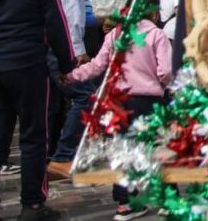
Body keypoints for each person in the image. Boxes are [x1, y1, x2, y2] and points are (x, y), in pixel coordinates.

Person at [0, 0, 77, 221]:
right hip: (28, 66)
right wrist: (67, 66)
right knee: (34, 136)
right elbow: (57, 24)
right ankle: (33, 204)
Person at [66, 13, 171, 220]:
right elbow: (166, 71)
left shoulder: (115, 35)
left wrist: (72, 76)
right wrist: (163, 86)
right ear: (153, 13)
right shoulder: (157, 35)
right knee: (157, 149)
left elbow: (97, 66)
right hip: (147, 100)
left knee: (121, 151)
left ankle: (125, 203)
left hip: (118, 101)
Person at [44, 0, 95, 177]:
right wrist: (78, 49)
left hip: (46, 45)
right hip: (62, 46)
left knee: (53, 103)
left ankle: (51, 153)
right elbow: (69, 11)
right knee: (86, 95)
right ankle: (63, 155)